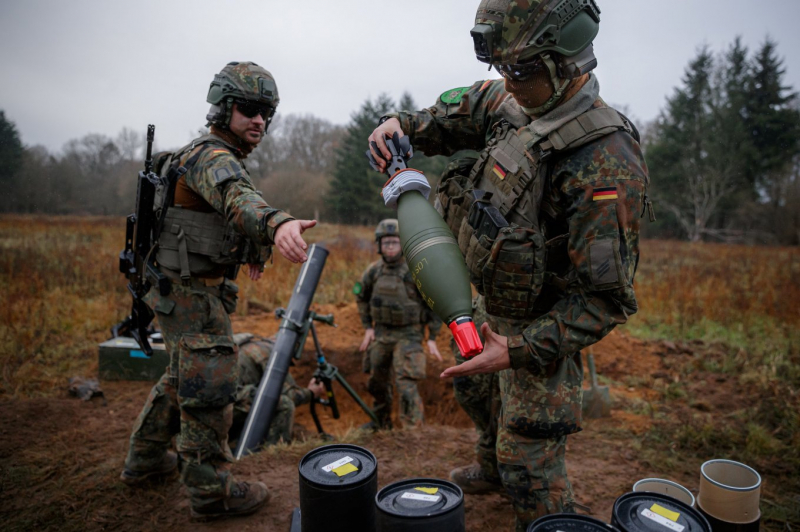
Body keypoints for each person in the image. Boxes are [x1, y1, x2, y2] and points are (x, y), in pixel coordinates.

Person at [368, 1, 651, 529]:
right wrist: (400, 125)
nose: (507, 81)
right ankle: (489, 465)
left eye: (519, 70)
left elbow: (605, 301)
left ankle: (543, 511)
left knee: (530, 459)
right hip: (485, 304)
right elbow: (458, 113)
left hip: (538, 332)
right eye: (501, 67)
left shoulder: (604, 159)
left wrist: (518, 350)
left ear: (564, 63)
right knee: (474, 390)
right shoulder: (512, 100)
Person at [120, 61, 317, 521]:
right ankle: (211, 492)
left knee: (183, 373)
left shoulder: (206, 153)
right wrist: (277, 223)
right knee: (209, 385)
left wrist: (250, 249)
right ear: (224, 108)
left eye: (266, 113)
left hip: (178, 290)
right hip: (190, 294)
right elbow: (237, 198)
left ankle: (145, 460)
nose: (259, 121)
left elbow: (220, 212)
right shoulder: (213, 157)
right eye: (249, 110)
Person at [355, 219, 443, 429]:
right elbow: (360, 296)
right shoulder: (373, 271)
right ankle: (380, 423)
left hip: (410, 335)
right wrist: (368, 327)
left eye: (395, 242)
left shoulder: (417, 271)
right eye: (386, 243)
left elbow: (435, 303)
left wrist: (431, 338)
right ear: (379, 245)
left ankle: (412, 431)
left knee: (406, 384)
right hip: (381, 333)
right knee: (376, 382)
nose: (391, 247)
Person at [230, 334, 324, 444]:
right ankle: (275, 452)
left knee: (253, 399)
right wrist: (311, 392)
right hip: (225, 407)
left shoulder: (249, 344)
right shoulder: (270, 355)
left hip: (213, 403)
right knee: (284, 404)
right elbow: (291, 395)